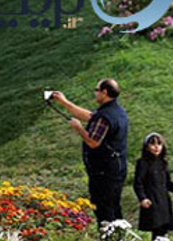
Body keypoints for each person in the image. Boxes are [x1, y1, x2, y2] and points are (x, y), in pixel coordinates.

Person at [51, 79, 129, 227]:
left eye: (96, 90)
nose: (95, 93)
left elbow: (93, 142)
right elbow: (89, 116)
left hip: (103, 171)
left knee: (103, 209)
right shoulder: (117, 111)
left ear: (104, 92)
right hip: (117, 168)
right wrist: (63, 102)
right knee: (114, 207)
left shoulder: (104, 116)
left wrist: (79, 128)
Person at [134, 133, 173, 241]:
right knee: (156, 229)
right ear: (147, 147)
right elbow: (138, 183)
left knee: (164, 229)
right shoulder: (142, 163)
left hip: (164, 200)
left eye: (159, 144)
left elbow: (167, 183)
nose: (156, 147)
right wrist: (142, 198)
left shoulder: (163, 163)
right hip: (151, 200)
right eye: (152, 144)